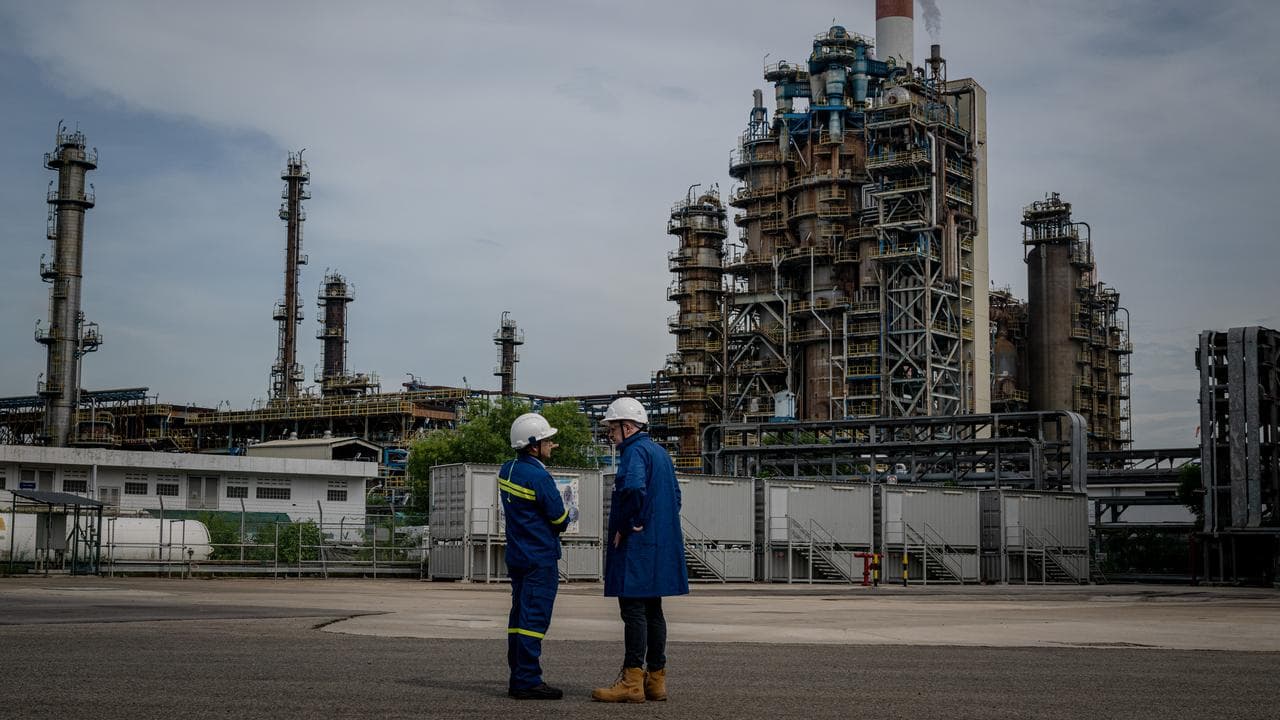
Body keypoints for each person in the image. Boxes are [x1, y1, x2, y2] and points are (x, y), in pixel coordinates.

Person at [592, 397, 689, 703]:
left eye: (613, 428)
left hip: (637, 547)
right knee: (653, 611)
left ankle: (632, 681)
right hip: (659, 545)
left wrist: (627, 524)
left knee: (633, 610)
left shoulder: (634, 452)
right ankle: (656, 681)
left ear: (628, 426)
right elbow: (675, 496)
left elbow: (633, 488)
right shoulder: (660, 453)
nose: (611, 434)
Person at [500, 412, 571, 700]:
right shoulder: (539, 476)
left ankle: (519, 673)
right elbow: (560, 518)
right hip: (539, 557)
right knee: (535, 619)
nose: (552, 445)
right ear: (533, 445)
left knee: (519, 617)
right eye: (547, 441)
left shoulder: (508, 469)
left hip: (517, 555)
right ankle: (527, 680)